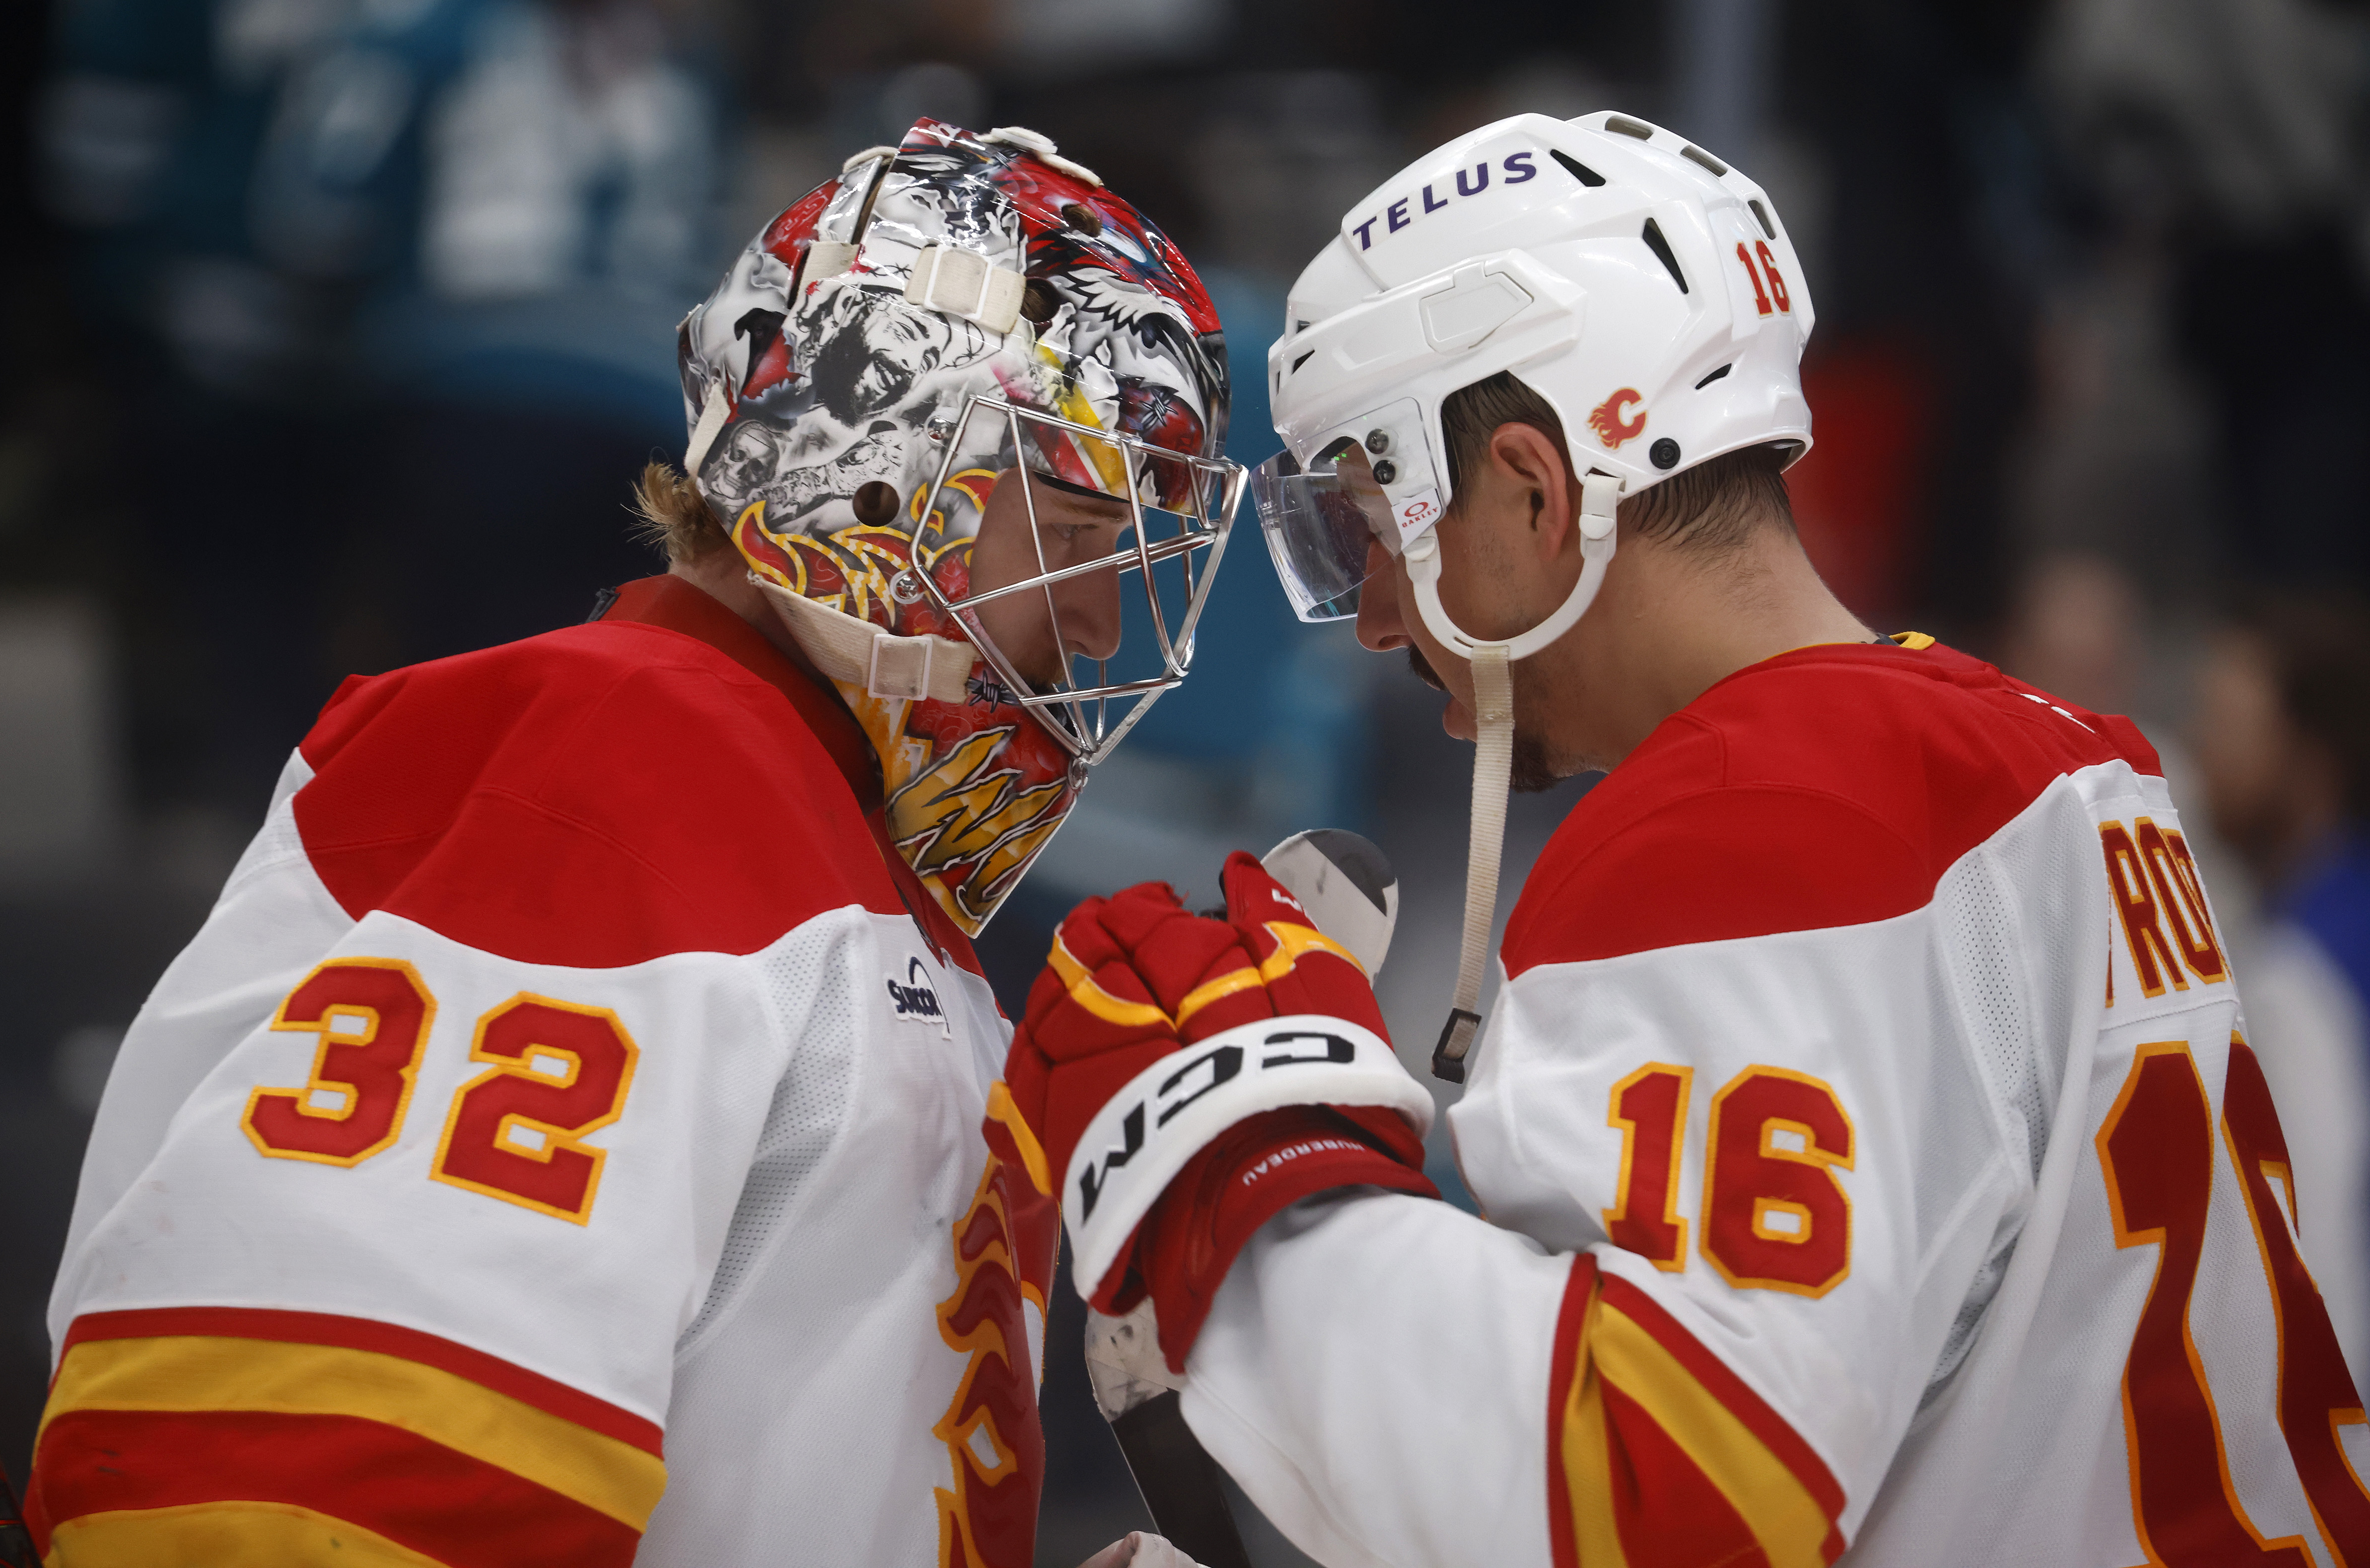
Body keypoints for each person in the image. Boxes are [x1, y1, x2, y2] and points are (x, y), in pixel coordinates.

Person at [987, 111, 2370, 1566]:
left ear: (1531, 489)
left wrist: (1243, 1158)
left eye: (1365, 524)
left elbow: (1664, 1500)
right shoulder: (2066, 756)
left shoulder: (1760, 816)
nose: (1377, 617)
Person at [30, 119, 1239, 1566]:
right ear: (882, 456)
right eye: (1082, 524)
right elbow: (302, 1499)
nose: (1102, 623)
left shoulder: (818, 845)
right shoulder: (629, 758)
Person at [2192, 595, 2370, 1396]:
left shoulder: (2301, 970)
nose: (2203, 755)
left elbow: (2321, 1253)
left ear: (2309, 759)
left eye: (2232, 725)